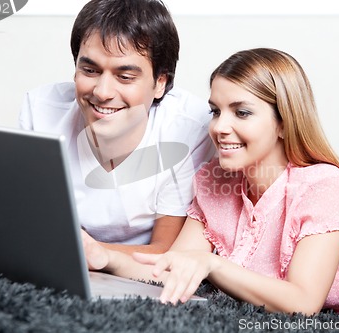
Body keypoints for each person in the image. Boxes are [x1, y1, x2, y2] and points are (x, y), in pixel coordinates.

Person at [82, 48, 339, 316]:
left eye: (242, 112)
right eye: (216, 110)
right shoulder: (213, 181)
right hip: (321, 238)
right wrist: (104, 256)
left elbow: (304, 303)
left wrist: (215, 264)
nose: (220, 127)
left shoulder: (325, 188)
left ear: (283, 122)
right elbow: (172, 264)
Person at [19, 0, 215, 254]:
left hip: (132, 268)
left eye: (125, 77)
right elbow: (28, 220)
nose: (102, 92)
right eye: (89, 70)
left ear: (160, 83)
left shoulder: (190, 127)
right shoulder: (41, 109)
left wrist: (84, 251)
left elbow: (164, 251)